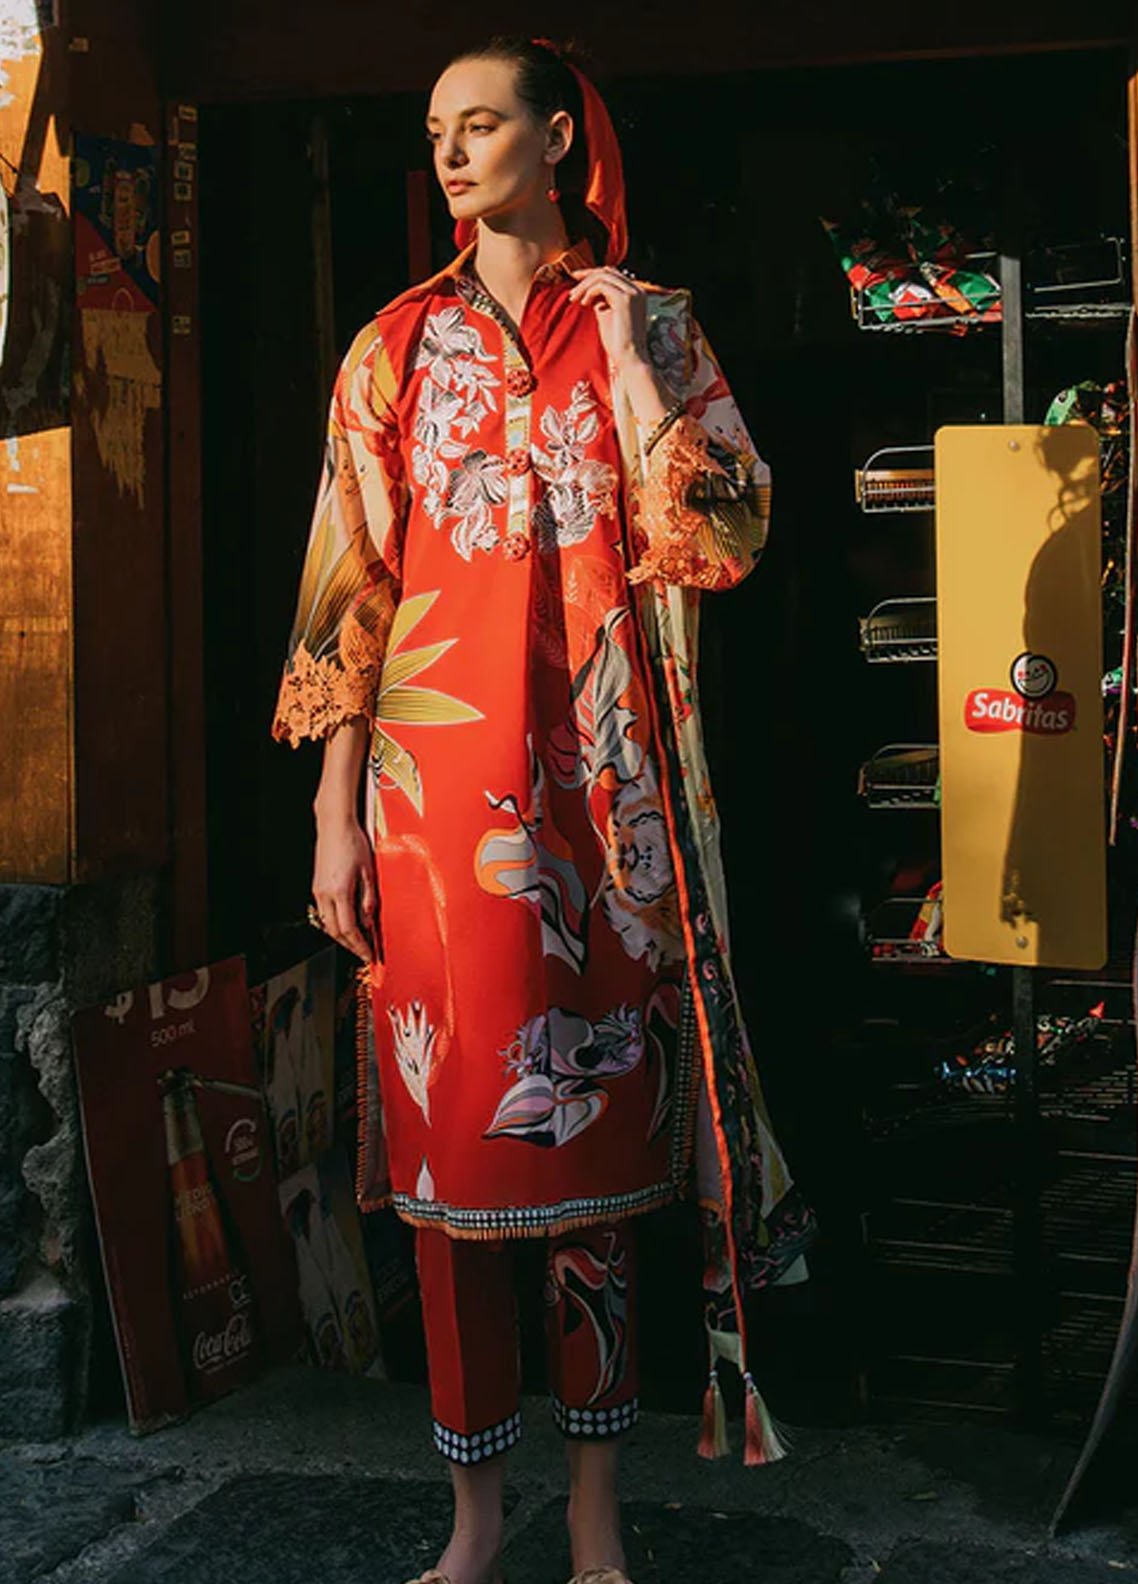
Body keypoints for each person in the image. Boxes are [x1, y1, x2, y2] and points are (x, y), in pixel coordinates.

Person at [273, 35, 815, 1584]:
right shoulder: (390, 347)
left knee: (592, 1179)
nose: (451, 153)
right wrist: (332, 813)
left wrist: (635, 368)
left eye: (481, 123)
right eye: (435, 130)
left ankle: (592, 1521)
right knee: (454, 1179)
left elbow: (723, 539)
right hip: (432, 809)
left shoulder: (652, 319)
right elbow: (349, 594)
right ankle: (469, 1523)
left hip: (607, 799)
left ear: (559, 137)